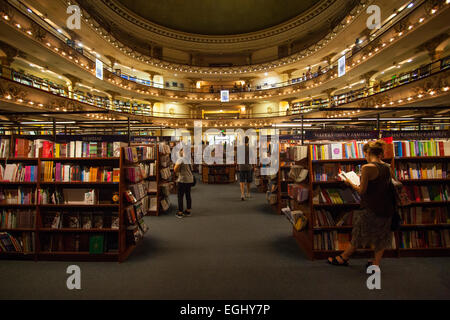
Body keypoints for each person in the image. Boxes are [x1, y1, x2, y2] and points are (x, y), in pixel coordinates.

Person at [328, 140, 395, 268]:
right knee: (382, 235)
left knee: (359, 232)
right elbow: (393, 183)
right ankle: (376, 263)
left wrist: (350, 182)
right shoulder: (387, 167)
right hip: (386, 206)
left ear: (368, 153)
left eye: (365, 154)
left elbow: (362, 190)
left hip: (371, 206)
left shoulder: (367, 168)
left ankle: (344, 257)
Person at [174, 149, 194, 218]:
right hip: (190, 179)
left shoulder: (180, 159)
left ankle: (180, 212)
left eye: (181, 151)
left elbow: (175, 169)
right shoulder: (190, 159)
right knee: (188, 195)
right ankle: (188, 211)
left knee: (180, 196)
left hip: (183, 179)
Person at [238, 136, 253, 201]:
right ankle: (248, 193)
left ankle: (242, 194)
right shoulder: (250, 149)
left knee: (242, 181)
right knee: (248, 181)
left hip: (241, 166)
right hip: (248, 167)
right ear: (248, 141)